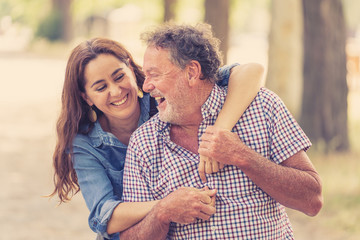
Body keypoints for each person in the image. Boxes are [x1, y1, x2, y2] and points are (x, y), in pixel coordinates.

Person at [121, 23, 323, 240]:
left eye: (154, 75)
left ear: (191, 72)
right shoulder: (144, 142)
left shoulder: (263, 106)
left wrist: (242, 156)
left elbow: (312, 201)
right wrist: (163, 212)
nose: (146, 86)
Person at [50, 37, 264, 240]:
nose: (115, 92)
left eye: (119, 77)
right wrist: (167, 205)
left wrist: (219, 131)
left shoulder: (163, 100)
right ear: (86, 97)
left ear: (132, 72)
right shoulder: (85, 144)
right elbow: (105, 216)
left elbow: (252, 71)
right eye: (101, 87)